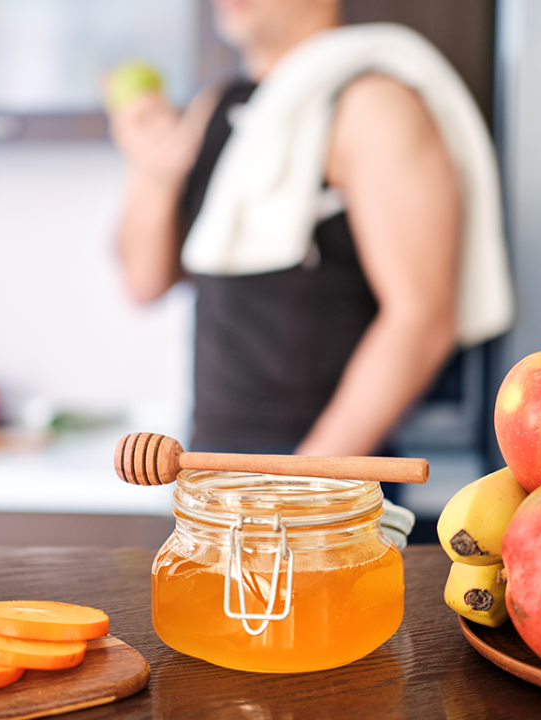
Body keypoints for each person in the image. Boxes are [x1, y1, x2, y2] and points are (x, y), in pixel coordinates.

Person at [109, 0, 499, 469]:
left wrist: (298, 484)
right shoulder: (218, 103)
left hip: (319, 479)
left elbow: (422, 321)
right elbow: (144, 282)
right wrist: (151, 177)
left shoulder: (372, 105)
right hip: (209, 466)